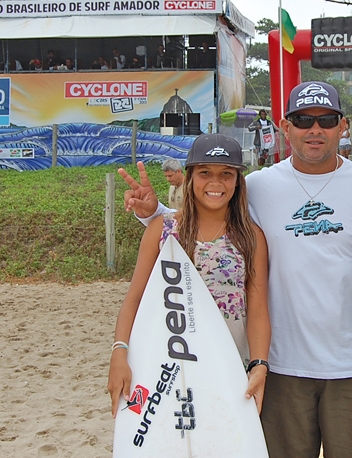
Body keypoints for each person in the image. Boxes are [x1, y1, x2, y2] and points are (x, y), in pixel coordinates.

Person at [120, 81, 352, 458]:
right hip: (279, 365)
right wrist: (153, 213)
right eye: (303, 120)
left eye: (326, 120)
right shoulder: (260, 186)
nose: (315, 129)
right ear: (285, 125)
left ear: (342, 126)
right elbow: (206, 216)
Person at [107, 134, 271, 418]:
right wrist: (119, 352)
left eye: (226, 174)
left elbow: (257, 308)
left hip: (229, 367)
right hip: (167, 368)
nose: (216, 183)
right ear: (190, 176)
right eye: (205, 173)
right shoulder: (162, 230)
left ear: (237, 181)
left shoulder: (251, 237)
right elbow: (134, 298)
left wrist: (259, 364)